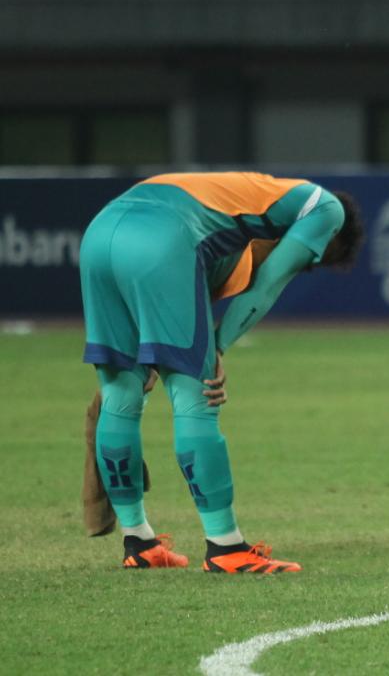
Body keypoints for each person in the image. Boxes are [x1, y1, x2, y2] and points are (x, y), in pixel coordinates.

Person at [80, 172, 363, 573]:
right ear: (333, 239)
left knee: (121, 395)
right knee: (199, 395)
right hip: (163, 238)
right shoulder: (324, 209)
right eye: (314, 258)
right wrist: (219, 347)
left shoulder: (242, 210)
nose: (306, 260)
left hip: (100, 232)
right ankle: (226, 546)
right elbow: (266, 286)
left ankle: (138, 541)